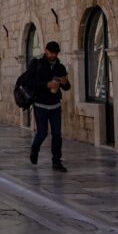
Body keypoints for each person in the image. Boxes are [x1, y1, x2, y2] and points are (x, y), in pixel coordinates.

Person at [28, 41, 72, 172]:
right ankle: (34, 150)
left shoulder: (60, 67)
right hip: (40, 104)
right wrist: (47, 85)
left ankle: (56, 162)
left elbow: (67, 87)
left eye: (56, 53)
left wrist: (64, 82)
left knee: (57, 134)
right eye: (51, 52)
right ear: (46, 50)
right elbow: (31, 83)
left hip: (55, 106)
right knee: (42, 133)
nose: (53, 55)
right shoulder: (36, 64)